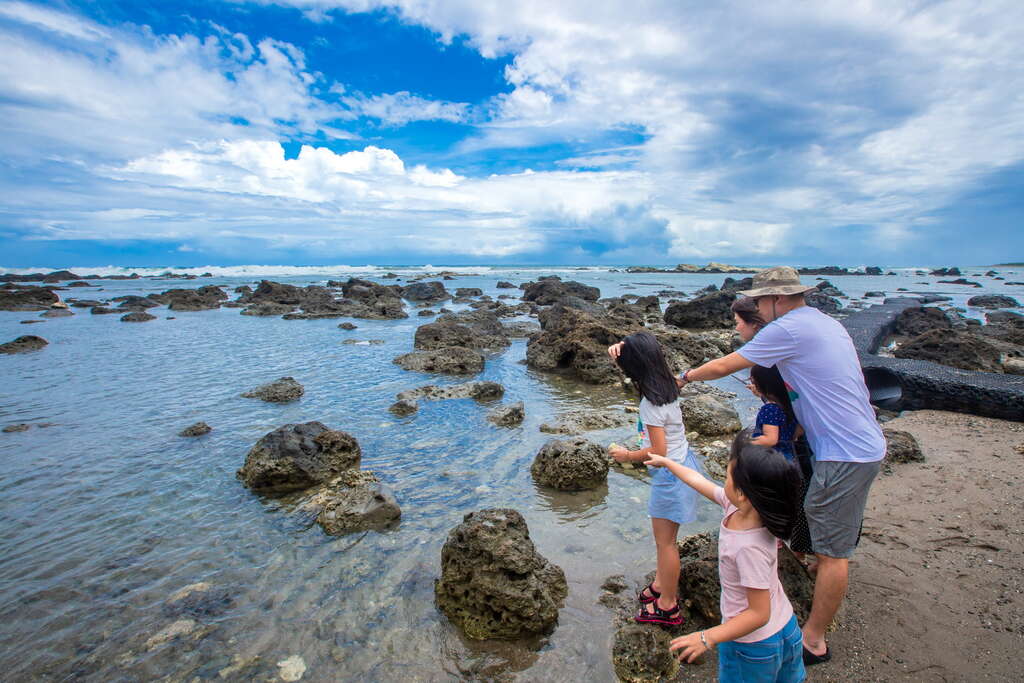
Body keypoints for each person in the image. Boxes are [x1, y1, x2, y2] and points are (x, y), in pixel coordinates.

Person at [671, 266, 885, 666]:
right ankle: (805, 598)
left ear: (778, 299)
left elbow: (724, 366)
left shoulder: (787, 328)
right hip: (849, 444)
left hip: (847, 452)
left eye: (759, 301)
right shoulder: (822, 322)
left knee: (833, 551)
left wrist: (682, 377)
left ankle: (814, 641)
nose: (756, 307)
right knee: (822, 532)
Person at [645, 431, 806, 683]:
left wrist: (707, 637)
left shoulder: (748, 547)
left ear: (742, 492)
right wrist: (668, 463)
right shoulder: (745, 509)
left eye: (728, 475)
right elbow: (699, 481)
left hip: (754, 645)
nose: (723, 479)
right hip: (785, 627)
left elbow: (758, 613)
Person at [607, 331, 703, 627]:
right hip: (683, 464)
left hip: (669, 473)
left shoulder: (651, 403)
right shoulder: (668, 385)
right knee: (668, 541)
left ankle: (668, 606)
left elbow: (657, 451)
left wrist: (627, 455)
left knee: (666, 544)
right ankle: (662, 585)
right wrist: (623, 352)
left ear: (633, 367)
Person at [748, 364, 799, 460]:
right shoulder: (791, 405)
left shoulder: (769, 409)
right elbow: (799, 430)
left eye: (753, 380)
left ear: (761, 385)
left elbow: (770, 440)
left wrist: (746, 442)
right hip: (789, 458)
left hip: (770, 460)